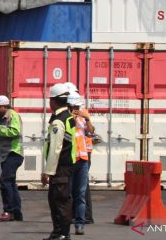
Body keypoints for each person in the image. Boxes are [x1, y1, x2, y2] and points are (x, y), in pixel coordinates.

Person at [42, 83, 76, 240]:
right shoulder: (69, 117)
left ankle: (61, 233)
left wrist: (48, 172)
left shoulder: (58, 121)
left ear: (54, 101)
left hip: (60, 167)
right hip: (68, 165)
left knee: (58, 201)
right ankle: (61, 233)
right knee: (62, 199)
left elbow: (55, 148)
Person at [0, 95, 24, 222]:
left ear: (4, 106)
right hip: (5, 154)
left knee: (5, 181)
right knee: (11, 183)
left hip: (13, 152)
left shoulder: (12, 115)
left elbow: (15, 131)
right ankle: (16, 213)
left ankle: (8, 211)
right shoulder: (0, 117)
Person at [68, 92, 95, 236]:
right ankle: (65, 223)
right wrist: (71, 117)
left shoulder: (84, 115)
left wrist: (87, 118)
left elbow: (91, 132)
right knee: (68, 193)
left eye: (77, 106)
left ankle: (80, 224)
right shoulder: (65, 117)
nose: (76, 108)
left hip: (83, 158)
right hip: (70, 159)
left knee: (80, 193)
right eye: (73, 106)